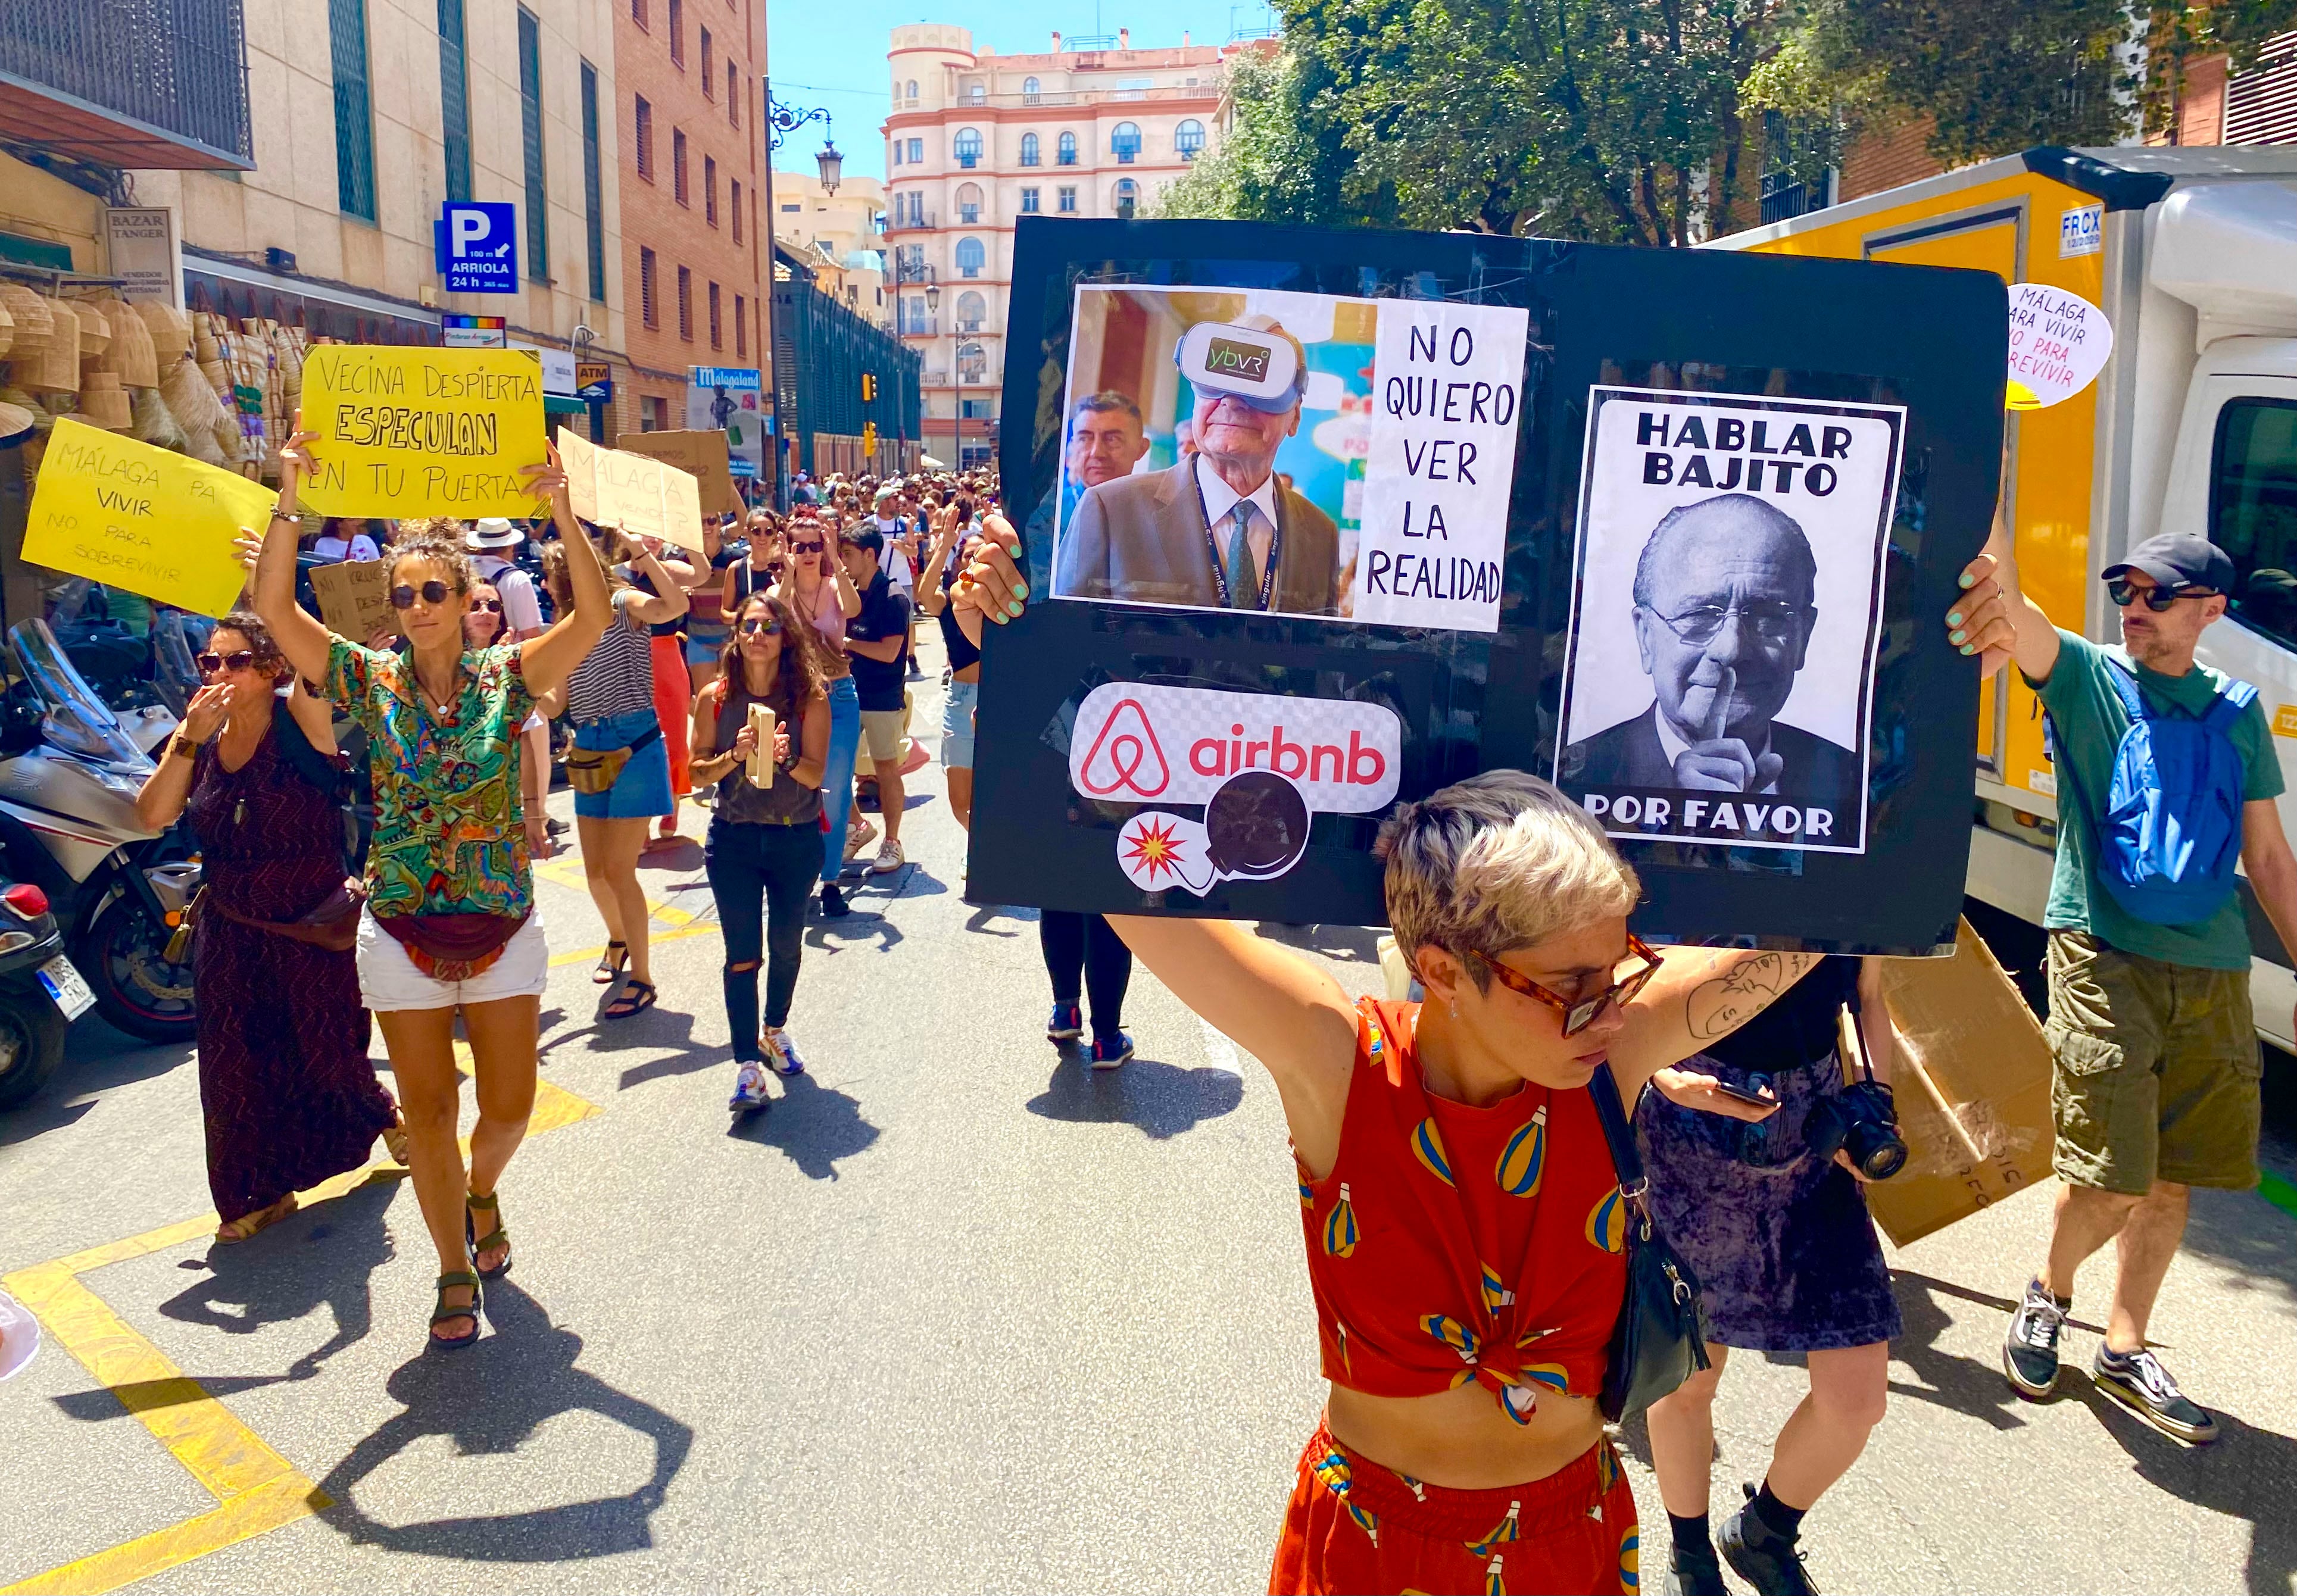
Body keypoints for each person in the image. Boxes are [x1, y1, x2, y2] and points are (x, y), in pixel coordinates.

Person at [945, 512, 2012, 1595]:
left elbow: (1853, 894)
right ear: (1445, 970)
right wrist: (1013, 640)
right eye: (1570, 986)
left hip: (1568, 1540)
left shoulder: (1615, 1047)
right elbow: (1103, 855)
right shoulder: (1339, 1063)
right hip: (1372, 1549)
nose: (1609, 1012)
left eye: (1619, 972)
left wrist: (1942, 650)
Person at [248, 420, 613, 1349]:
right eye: (403, 592)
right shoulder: (369, 680)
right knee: (431, 1112)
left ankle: (483, 1186)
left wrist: (561, 513)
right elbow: (280, 616)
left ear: (464, 597)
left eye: (432, 591)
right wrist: (292, 496)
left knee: (509, 1108)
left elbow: (597, 617)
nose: (415, 604)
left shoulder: (509, 674)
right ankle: (452, 1267)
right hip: (402, 923)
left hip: (498, 918)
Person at [1983, 527, 2297, 1444]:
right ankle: (2048, 1295)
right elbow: (2007, 598)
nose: (2135, 607)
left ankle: (2123, 1350)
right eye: (2127, 589)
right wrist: (1987, 411)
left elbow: (2268, 857)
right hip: (2100, 948)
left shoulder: (2237, 709)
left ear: (2209, 611)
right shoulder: (2085, 677)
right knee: (2109, 1175)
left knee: (2170, 1182)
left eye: (2158, 595)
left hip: (2209, 968)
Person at [134, 609, 403, 1243]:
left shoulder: (298, 716)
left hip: (310, 922)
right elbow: (150, 815)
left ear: (271, 667)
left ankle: (382, 1113)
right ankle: (254, 1191)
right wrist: (188, 738)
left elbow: (319, 672)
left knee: (326, 1048)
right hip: (232, 926)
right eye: (210, 662)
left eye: (235, 661)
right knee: (233, 1062)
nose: (219, 673)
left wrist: (290, 597)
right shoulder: (198, 734)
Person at [1637, 956, 1902, 1596]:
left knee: (1856, 1400)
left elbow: (1868, 994)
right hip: (1691, 1128)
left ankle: (1765, 1532)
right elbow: (1619, 972)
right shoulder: (1700, 852)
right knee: (1688, 1377)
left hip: (1816, 1138)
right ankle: (1691, 1556)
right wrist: (1657, 1068)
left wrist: (1878, 1103)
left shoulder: (1854, 861)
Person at [1559, 495, 1859, 826]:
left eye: (1768, 616)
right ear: (1646, 637)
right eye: (1700, 615)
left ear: (1803, 636)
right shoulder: (1569, 780)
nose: (1731, 650)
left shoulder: (1853, 784)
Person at [1053, 316, 1340, 615]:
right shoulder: (1109, 511)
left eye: (1261, 386)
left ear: (1294, 416)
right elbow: (1066, 642)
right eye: (1215, 383)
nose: (1232, 401)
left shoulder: (1322, 536)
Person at [691, 589, 830, 1107]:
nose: (757, 636)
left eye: (768, 629)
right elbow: (696, 770)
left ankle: (775, 1028)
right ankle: (747, 1065)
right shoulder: (715, 697)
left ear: (785, 640)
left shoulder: (809, 698)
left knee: (788, 944)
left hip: (795, 836)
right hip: (734, 837)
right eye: (749, 627)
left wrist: (787, 758)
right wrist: (735, 754)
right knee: (742, 955)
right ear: (736, 635)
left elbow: (816, 773)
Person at [543, 531, 690, 1020]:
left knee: (620, 870)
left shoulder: (623, 602)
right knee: (594, 872)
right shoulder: (565, 627)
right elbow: (557, 702)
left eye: (549, 575)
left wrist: (640, 549)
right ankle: (618, 939)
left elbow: (674, 604)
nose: (544, 583)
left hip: (636, 741)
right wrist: (517, 684)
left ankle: (644, 978)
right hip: (588, 745)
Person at [775, 516, 866, 914]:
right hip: (797, 699)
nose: (809, 553)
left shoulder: (834, 586)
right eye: (801, 547)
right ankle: (799, 876)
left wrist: (834, 554)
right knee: (796, 789)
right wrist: (787, 572)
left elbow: (854, 607)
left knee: (834, 791)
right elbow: (773, 613)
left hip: (840, 695)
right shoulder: (781, 591)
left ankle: (830, 880)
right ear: (790, 551)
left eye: (815, 546)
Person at [467, 520, 558, 848]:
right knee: (533, 743)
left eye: (492, 607)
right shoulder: (516, 578)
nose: (485, 611)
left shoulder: (465, 572)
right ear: (511, 546)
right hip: (511, 665)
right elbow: (532, 635)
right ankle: (537, 813)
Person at [839, 524, 912, 875]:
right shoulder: (849, 594)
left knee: (885, 770)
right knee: (836, 768)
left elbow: (889, 651)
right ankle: (858, 827)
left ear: (870, 555)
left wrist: (848, 645)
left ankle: (893, 842)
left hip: (882, 696)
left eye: (848, 554)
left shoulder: (894, 597)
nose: (843, 561)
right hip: (847, 694)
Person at [629, 535, 701, 851]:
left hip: (667, 652)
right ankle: (641, 820)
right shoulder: (616, 572)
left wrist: (689, 536)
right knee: (637, 742)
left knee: (674, 737)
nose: (653, 539)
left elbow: (702, 572)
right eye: (645, 532)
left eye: (657, 531)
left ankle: (672, 800)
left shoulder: (670, 568)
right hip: (631, 656)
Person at [917, 502, 980, 830]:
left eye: (981, 555)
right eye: (968, 554)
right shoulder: (948, 602)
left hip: (996, 700)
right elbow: (925, 594)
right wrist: (943, 545)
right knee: (960, 802)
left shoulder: (1007, 605)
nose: (973, 560)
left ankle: (988, 854)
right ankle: (977, 847)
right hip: (959, 700)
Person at [311, 517, 380, 564]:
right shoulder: (323, 543)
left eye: (356, 520)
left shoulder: (365, 541)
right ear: (339, 524)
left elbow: (378, 567)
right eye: (351, 520)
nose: (356, 523)